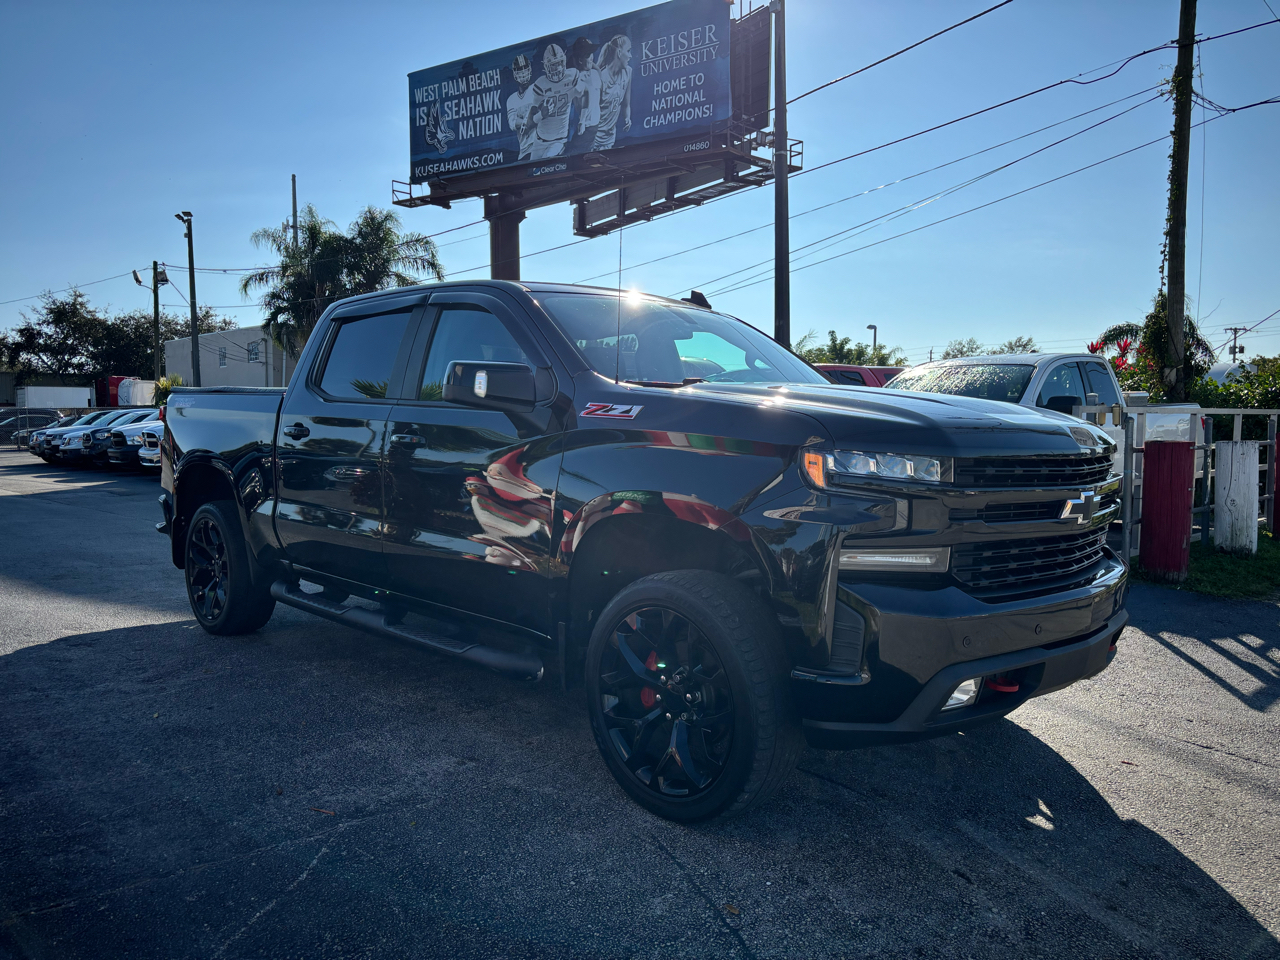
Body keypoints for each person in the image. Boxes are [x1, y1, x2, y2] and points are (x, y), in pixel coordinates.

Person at [528, 43, 587, 159]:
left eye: (559, 63)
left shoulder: (572, 76)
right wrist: (541, 115)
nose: (558, 68)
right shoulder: (541, 84)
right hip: (539, 141)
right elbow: (530, 123)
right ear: (546, 66)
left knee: (546, 162)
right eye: (553, 65)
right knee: (531, 170)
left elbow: (585, 94)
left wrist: (583, 120)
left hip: (558, 140)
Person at [593, 35, 632, 151]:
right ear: (619, 53)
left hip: (610, 137)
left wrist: (627, 117)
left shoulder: (628, 72)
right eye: (628, 51)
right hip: (594, 139)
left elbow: (626, 104)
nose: (630, 56)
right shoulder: (601, 78)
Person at [570, 37, 600, 153]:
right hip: (588, 126)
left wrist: (582, 121)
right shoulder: (580, 77)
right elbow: (585, 98)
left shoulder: (592, 74)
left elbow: (587, 96)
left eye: (592, 53)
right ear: (580, 60)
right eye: (588, 55)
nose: (592, 57)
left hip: (589, 126)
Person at [506, 54, 538, 161]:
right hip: (525, 150)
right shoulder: (511, 99)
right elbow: (512, 123)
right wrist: (526, 121)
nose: (523, 74)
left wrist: (526, 120)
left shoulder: (537, 88)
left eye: (525, 69)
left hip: (541, 144)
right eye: (520, 70)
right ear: (515, 74)